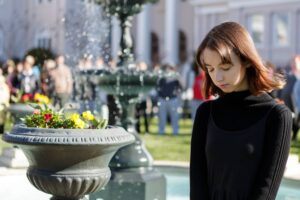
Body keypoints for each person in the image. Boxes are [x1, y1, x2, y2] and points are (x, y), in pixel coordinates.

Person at [190, 22, 292, 200]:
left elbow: (266, 191)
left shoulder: (277, 116)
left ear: (246, 60)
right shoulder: (205, 113)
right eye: (210, 69)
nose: (218, 77)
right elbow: (197, 183)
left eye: (225, 67)